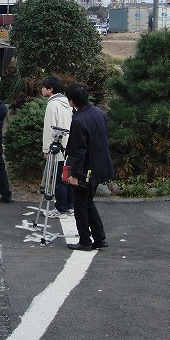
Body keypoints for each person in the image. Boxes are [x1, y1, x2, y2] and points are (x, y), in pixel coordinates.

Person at [63, 83, 114, 251]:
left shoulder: (79, 120)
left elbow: (78, 151)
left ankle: (85, 240)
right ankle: (100, 238)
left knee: (80, 205)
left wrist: (75, 174)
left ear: (71, 100)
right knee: (87, 202)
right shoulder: (99, 112)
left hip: (86, 168)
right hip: (100, 164)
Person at [41, 76, 75, 219]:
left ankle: (60, 209)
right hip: (69, 147)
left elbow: (49, 129)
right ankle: (69, 206)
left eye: (44, 87)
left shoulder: (52, 105)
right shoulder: (67, 103)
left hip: (56, 147)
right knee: (67, 177)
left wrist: (46, 149)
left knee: (58, 179)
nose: (42, 89)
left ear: (50, 89)